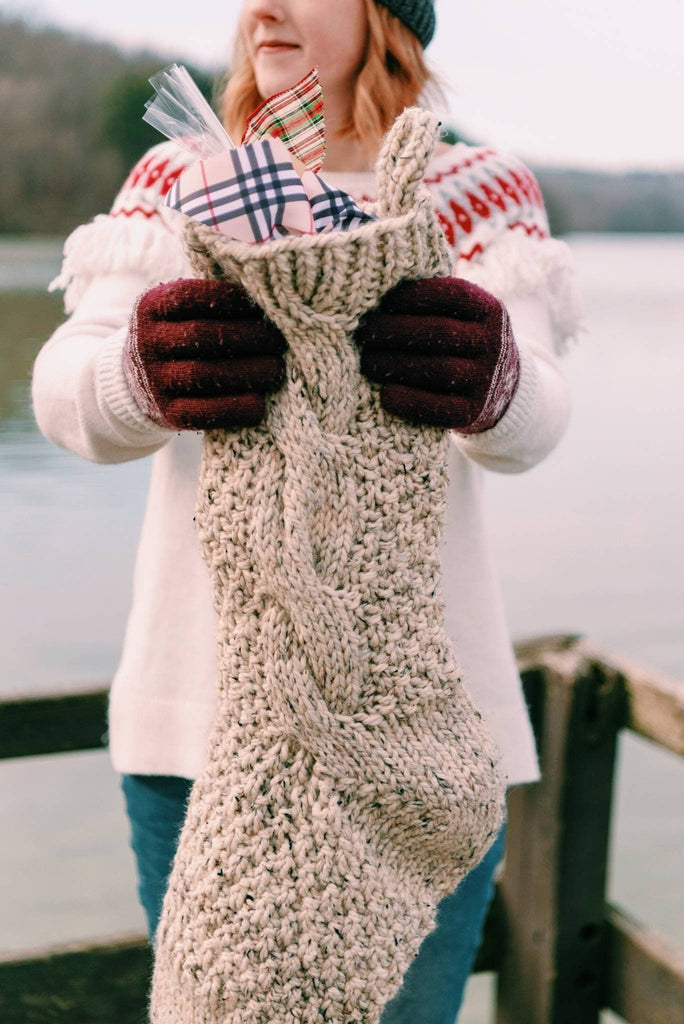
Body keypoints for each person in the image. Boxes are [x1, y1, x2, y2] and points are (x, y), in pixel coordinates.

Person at [31, 1, 582, 1021]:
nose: (265, 7)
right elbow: (66, 398)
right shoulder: (186, 179)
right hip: (196, 730)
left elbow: (537, 420)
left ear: (387, 12)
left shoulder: (472, 190)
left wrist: (488, 376)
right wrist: (144, 373)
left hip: (422, 746)